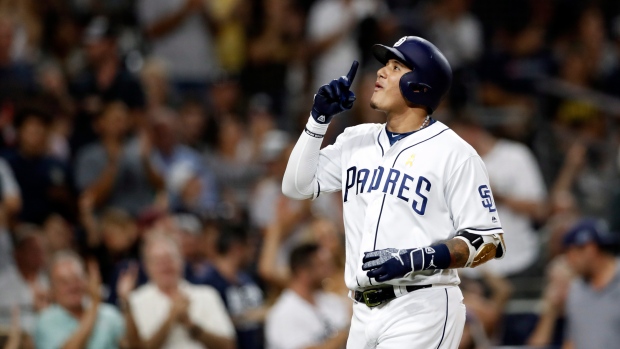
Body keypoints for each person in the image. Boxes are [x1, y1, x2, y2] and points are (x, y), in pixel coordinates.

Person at [282, 36, 507, 348]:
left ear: (420, 84)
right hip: (361, 311)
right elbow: (296, 186)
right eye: (384, 65)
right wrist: (318, 120)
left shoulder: (454, 152)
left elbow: (488, 242)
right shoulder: (356, 140)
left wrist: (416, 259)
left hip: (421, 305)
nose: (381, 73)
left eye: (396, 66)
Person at [128, 232, 236, 349]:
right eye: (158, 261)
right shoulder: (135, 300)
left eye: (169, 258)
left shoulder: (206, 294)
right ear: (147, 266)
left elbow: (229, 345)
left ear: (181, 260)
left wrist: (190, 324)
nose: (165, 265)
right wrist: (171, 317)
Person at [265, 243, 350, 349]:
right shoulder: (283, 314)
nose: (328, 272)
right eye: (321, 266)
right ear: (303, 271)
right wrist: (343, 335)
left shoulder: (330, 300)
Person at [34, 251, 125, 349]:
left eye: (76, 279)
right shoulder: (45, 321)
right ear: (52, 289)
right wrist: (94, 304)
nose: (72, 286)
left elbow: (133, 344)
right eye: (64, 282)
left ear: (86, 280)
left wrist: (126, 302)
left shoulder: (109, 314)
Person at [202, 225, 266, 349]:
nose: (253, 252)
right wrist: (248, 316)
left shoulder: (247, 279)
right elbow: (208, 324)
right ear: (237, 248)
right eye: (250, 246)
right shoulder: (208, 284)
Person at [560, 218, 620, 349]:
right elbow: (572, 341)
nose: (568, 261)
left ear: (589, 249)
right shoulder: (575, 291)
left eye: (570, 253)